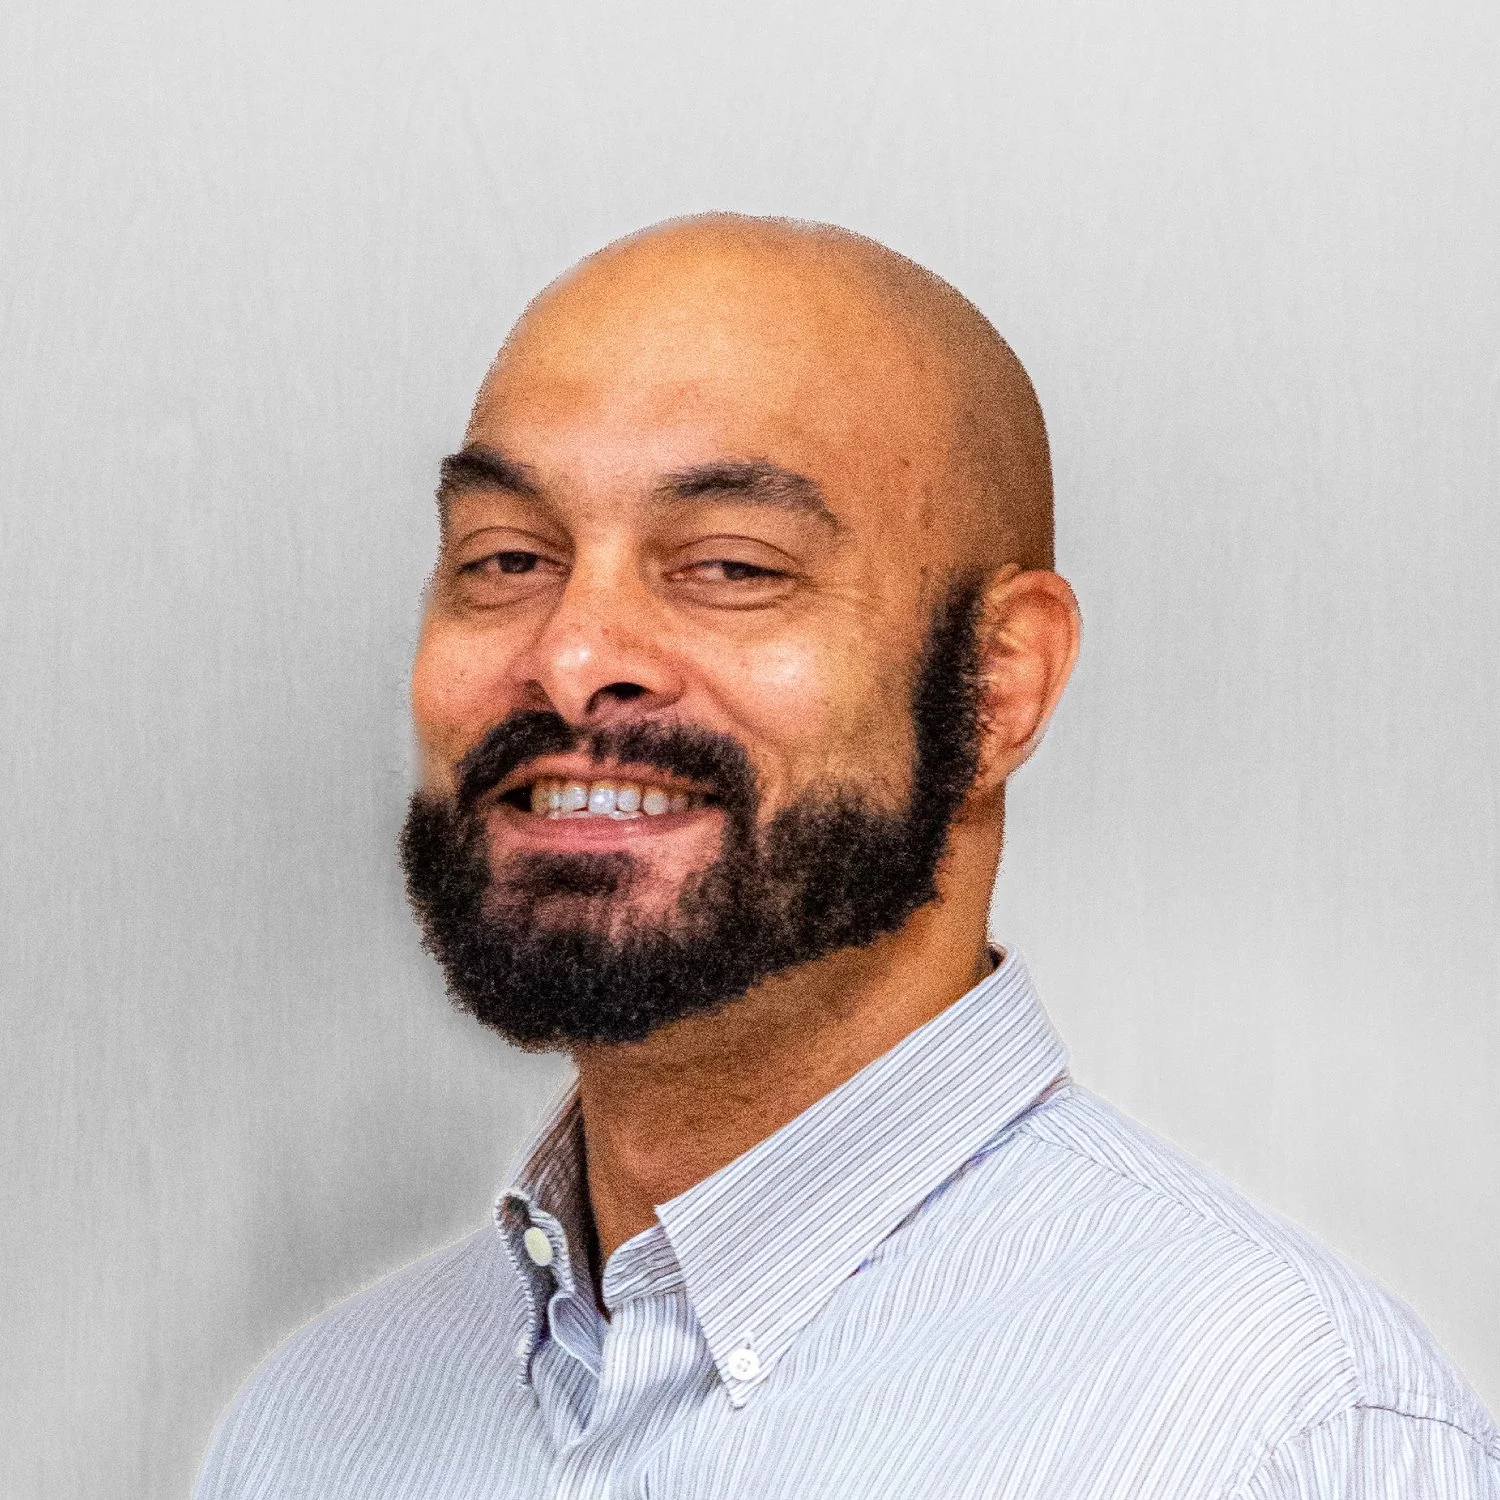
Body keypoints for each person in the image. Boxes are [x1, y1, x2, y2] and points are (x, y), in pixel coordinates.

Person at [194, 214, 1499, 1499]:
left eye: (729, 564)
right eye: (509, 556)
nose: (573, 654)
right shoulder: (312, 1434)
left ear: (999, 684)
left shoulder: (1281, 1438)